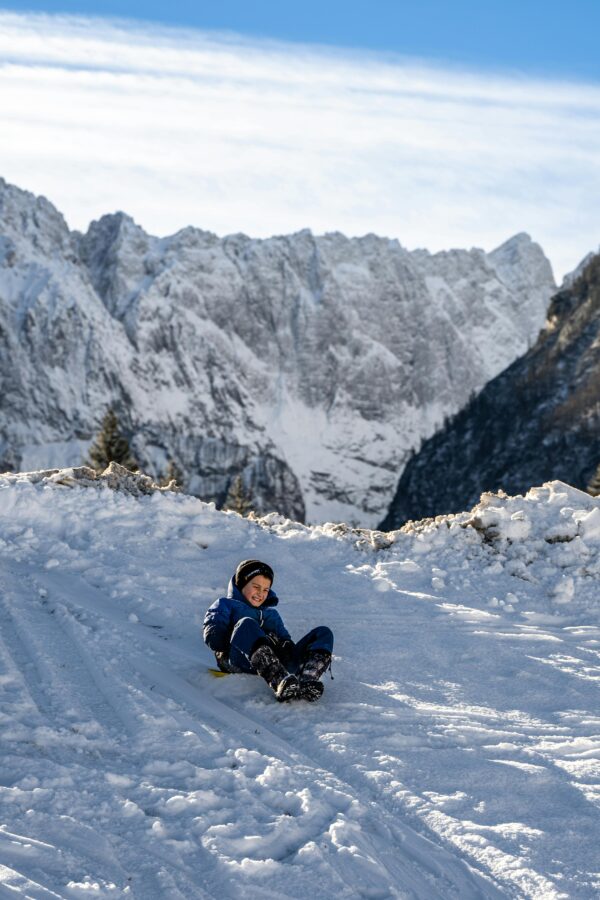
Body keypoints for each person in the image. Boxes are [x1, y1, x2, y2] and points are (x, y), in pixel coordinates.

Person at [203, 559, 333, 702]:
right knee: (246, 624)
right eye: (256, 587)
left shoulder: (271, 614)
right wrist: (229, 634)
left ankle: (306, 681)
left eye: (266, 589)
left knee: (323, 632)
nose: (261, 593)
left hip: (275, 660)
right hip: (238, 659)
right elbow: (213, 638)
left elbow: (286, 640)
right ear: (242, 584)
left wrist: (284, 644)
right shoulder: (225, 604)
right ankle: (279, 680)